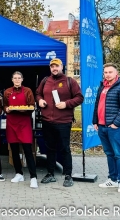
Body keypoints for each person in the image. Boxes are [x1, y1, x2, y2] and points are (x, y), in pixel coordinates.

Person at [35, 58, 83, 187]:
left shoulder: (70, 81)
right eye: (52, 66)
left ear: (62, 67)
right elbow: (38, 94)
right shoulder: (45, 81)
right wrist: (39, 101)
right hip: (47, 121)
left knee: (64, 149)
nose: (54, 68)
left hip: (63, 122)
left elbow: (79, 97)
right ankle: (50, 174)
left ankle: (68, 175)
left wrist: (66, 104)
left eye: (57, 66)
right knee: (49, 149)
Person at [93, 63, 120, 194]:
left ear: (116, 73)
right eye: (105, 72)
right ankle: (113, 179)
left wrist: (116, 123)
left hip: (114, 127)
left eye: (110, 72)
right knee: (109, 154)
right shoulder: (102, 86)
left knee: (119, 154)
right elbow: (97, 104)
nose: (107, 74)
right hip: (102, 126)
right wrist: (95, 121)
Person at [3, 71, 38, 189]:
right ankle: (19, 173)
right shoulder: (7, 92)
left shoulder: (28, 91)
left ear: (22, 79)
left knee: (28, 150)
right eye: (15, 78)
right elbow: (5, 105)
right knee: (14, 150)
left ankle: (33, 177)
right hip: (11, 123)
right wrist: (7, 109)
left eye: (19, 78)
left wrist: (21, 109)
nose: (17, 80)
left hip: (24, 123)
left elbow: (32, 106)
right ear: (12, 80)